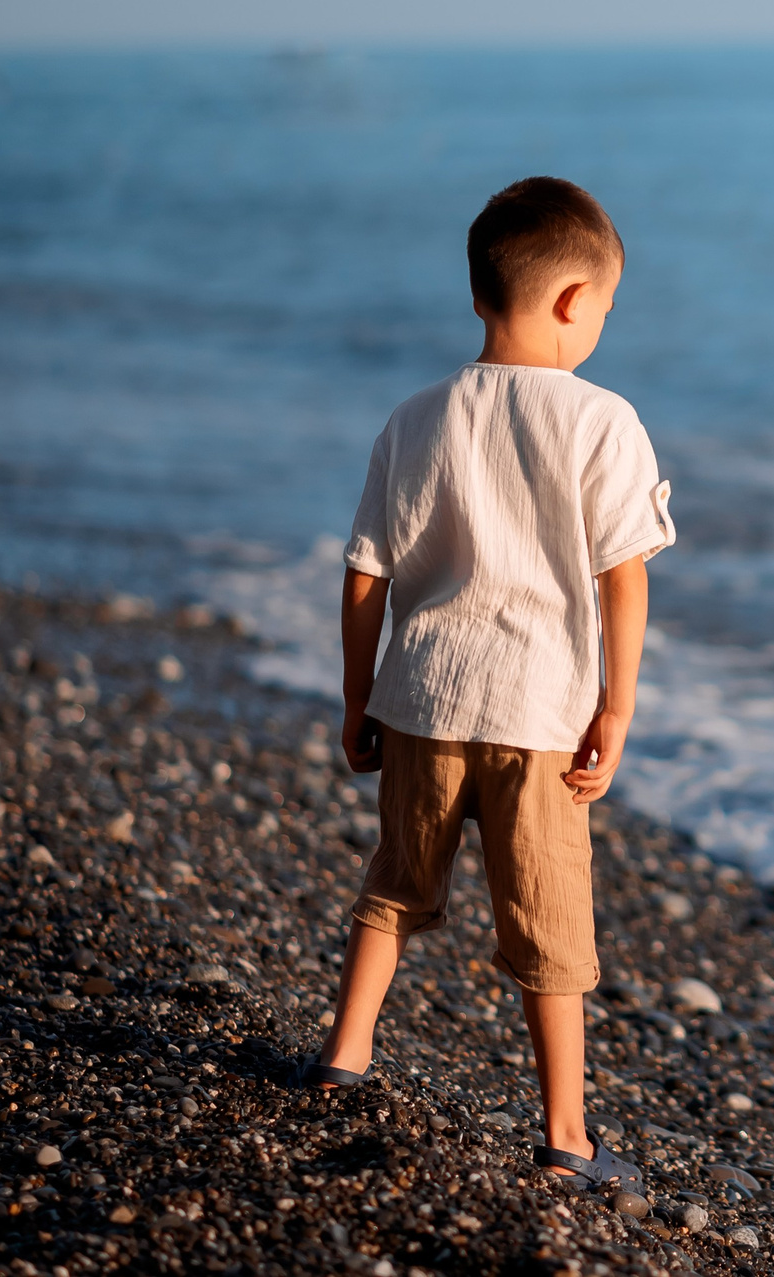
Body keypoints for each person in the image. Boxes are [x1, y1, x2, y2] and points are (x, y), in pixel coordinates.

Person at [301, 176, 674, 1199]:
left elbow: (364, 573)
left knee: (395, 884)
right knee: (550, 928)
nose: (601, 323)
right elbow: (623, 577)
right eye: (604, 304)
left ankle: (344, 1054)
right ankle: (563, 1130)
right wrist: (616, 705)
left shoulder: (416, 418)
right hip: (540, 714)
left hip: (422, 697)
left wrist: (355, 696)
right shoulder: (602, 420)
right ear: (571, 300)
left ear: (479, 296)